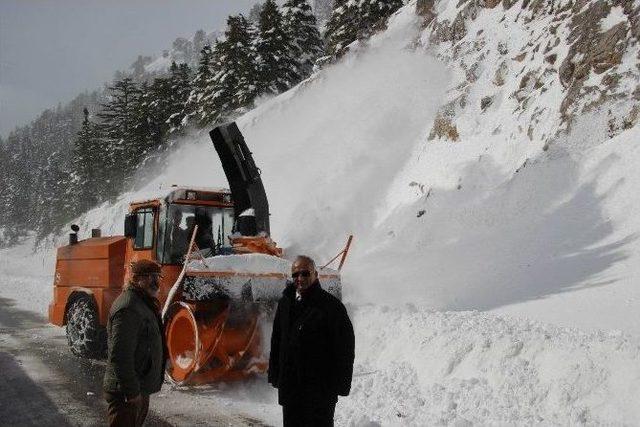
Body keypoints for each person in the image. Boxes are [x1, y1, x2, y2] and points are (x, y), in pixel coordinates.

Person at [268, 255, 355, 427]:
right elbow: (277, 341)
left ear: (316, 274)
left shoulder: (331, 307)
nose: (300, 278)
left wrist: (341, 385)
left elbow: (345, 349)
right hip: (291, 389)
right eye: (295, 274)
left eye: (305, 273)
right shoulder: (285, 303)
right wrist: (276, 375)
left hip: (320, 391)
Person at [103, 259, 166, 427]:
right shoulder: (129, 307)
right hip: (126, 391)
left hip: (137, 386)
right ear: (137, 278)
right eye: (151, 277)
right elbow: (120, 355)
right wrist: (131, 392)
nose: (156, 282)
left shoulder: (143, 303)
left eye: (158, 276)